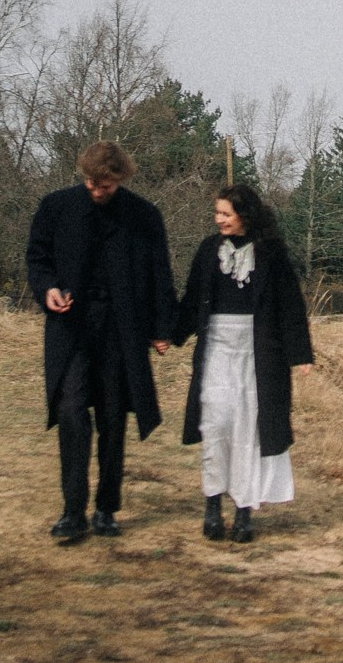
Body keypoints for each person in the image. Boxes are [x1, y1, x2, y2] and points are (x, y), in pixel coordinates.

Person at [23, 140, 176, 543]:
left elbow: (160, 273)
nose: (96, 189)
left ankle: (106, 508)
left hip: (121, 328)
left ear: (120, 178)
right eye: (90, 182)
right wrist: (48, 289)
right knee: (71, 410)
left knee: (112, 415)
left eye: (105, 185)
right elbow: (37, 259)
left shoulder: (143, 216)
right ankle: (72, 512)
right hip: (70, 326)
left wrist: (162, 328)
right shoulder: (56, 207)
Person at [173, 183, 313, 543]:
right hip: (216, 350)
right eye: (217, 213)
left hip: (258, 353)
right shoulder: (209, 250)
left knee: (248, 429)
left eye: (226, 214)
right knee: (215, 422)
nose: (219, 220)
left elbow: (290, 305)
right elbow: (192, 301)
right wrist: (168, 334)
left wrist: (300, 354)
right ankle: (212, 504)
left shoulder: (271, 253)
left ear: (245, 215)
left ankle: (243, 510)